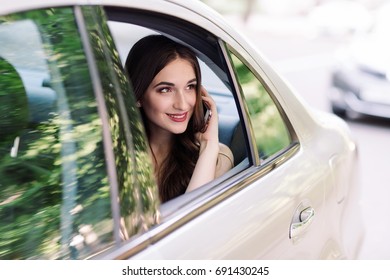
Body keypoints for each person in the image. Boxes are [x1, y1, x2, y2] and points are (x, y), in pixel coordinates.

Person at [125, 35, 233, 203]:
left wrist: (209, 145)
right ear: (137, 95)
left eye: (190, 87)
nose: (183, 105)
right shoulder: (116, 154)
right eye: (165, 89)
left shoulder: (217, 157)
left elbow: (197, 223)